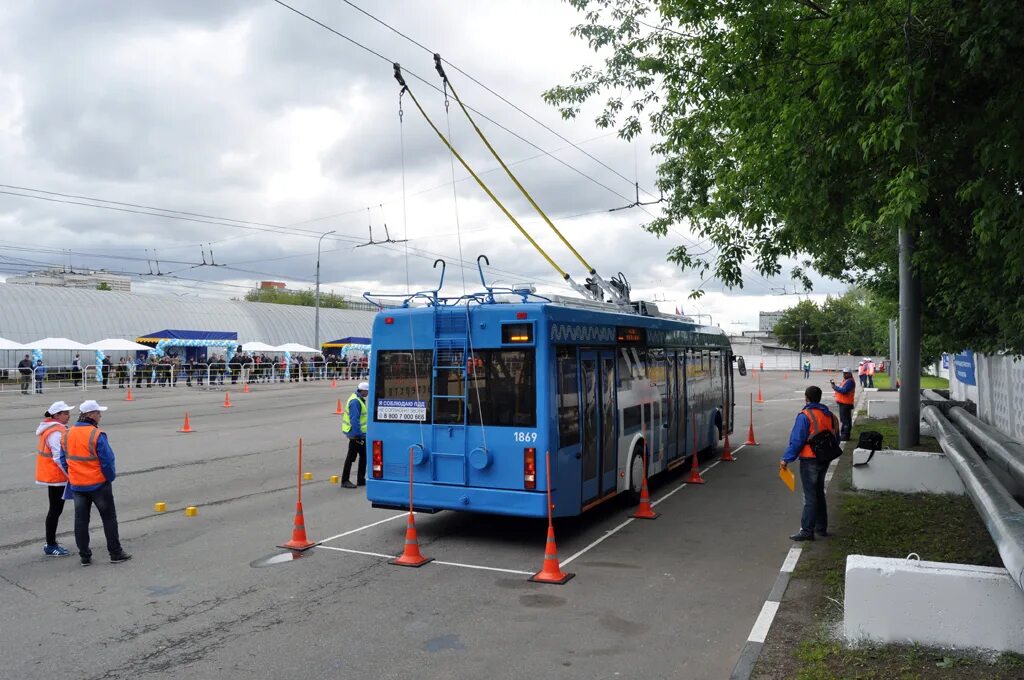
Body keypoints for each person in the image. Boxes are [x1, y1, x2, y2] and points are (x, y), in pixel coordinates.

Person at [60, 400, 131, 566]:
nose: (100, 416)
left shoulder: (67, 434)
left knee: (81, 520)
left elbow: (64, 459)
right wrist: (109, 478)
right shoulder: (96, 434)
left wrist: (73, 474)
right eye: (98, 413)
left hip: (77, 484)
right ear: (90, 415)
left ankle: (85, 556)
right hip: (98, 484)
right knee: (108, 518)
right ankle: (115, 553)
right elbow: (107, 461)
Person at [780, 385, 840, 541]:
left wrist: (786, 459)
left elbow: (797, 440)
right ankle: (821, 527)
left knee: (810, 496)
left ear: (806, 398)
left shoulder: (805, 416)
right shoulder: (831, 416)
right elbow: (836, 438)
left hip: (809, 459)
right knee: (819, 492)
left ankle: (807, 530)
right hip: (824, 458)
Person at [36, 401, 74, 557]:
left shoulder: (54, 428)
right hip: (56, 478)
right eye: (65, 413)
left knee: (55, 510)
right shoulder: (55, 432)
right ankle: (51, 544)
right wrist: (70, 475)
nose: (68, 416)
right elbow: (59, 458)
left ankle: (51, 543)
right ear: (56, 415)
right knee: (55, 511)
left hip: (55, 477)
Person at [341, 382, 369, 489]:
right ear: (363, 391)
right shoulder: (355, 402)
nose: (368, 393)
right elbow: (354, 420)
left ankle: (361, 479)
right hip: (356, 435)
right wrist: (358, 435)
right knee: (351, 458)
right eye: (367, 391)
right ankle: (345, 480)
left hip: (360, 435)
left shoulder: (358, 399)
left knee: (364, 457)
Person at [830, 368, 856, 441]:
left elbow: (844, 391)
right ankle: (844, 435)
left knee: (846, 421)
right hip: (844, 403)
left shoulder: (850, 381)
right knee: (844, 420)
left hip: (846, 403)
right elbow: (842, 389)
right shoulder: (847, 380)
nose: (844, 374)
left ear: (850, 374)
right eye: (844, 373)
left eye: (846, 373)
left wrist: (835, 387)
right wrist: (835, 386)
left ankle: (845, 435)